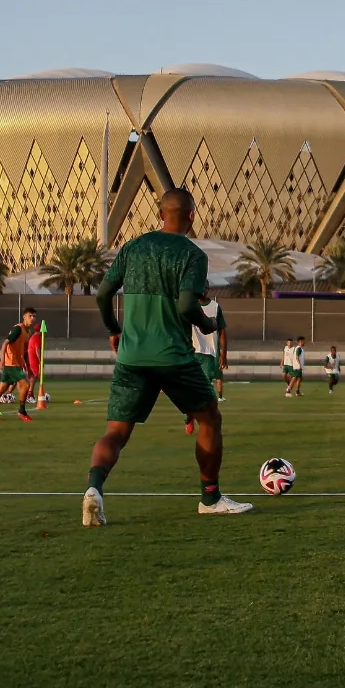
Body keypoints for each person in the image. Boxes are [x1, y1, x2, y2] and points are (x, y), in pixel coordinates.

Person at [82, 188, 252, 525]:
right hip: (173, 357)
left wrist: (113, 330)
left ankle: (94, 489)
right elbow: (187, 306)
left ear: (161, 214)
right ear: (191, 215)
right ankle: (210, 497)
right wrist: (209, 324)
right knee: (209, 418)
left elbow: (103, 294)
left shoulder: (132, 247)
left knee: (116, 432)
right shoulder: (192, 255)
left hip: (131, 357)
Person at [0, 307, 37, 422]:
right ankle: (22, 411)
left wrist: (23, 361)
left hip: (16, 363)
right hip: (10, 364)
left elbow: (21, 349)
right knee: (26, 385)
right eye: (30, 316)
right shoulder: (18, 329)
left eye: (34, 316)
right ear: (24, 317)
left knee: (1, 389)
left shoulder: (28, 332)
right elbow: (5, 343)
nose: (32, 318)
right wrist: (2, 360)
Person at [188, 288, 228, 435]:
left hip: (208, 353)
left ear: (208, 290)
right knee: (190, 387)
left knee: (205, 388)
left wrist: (223, 353)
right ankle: (191, 415)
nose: (202, 291)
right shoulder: (188, 305)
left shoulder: (215, 307)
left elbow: (222, 331)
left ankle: (205, 420)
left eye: (204, 288)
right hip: (191, 352)